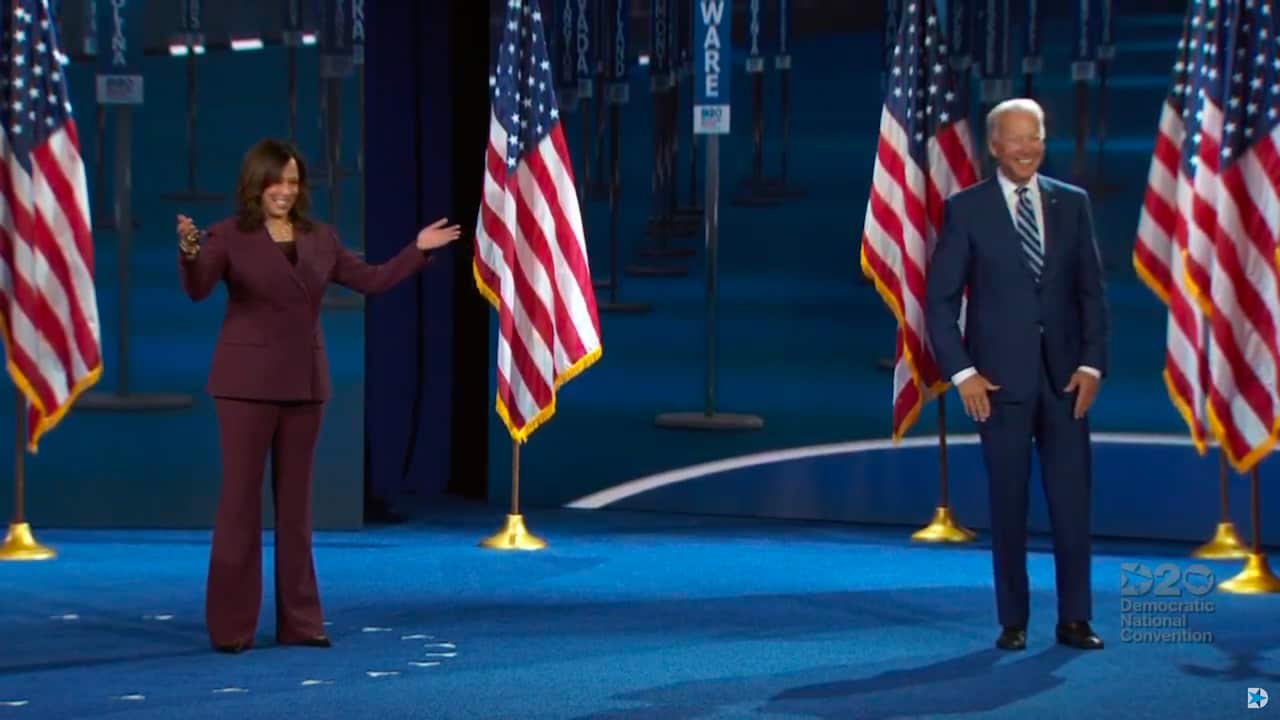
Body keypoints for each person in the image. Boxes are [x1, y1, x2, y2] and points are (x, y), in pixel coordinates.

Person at [176, 138, 461, 653]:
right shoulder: (227, 236)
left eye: (292, 181)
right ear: (256, 184)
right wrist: (190, 252)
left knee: (297, 510)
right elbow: (198, 288)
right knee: (239, 507)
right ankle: (232, 628)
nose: (284, 191)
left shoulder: (321, 239)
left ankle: (301, 622)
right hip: (244, 388)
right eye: (275, 181)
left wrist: (416, 251)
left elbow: (372, 280)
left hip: (305, 387)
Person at [925, 98, 1109, 652]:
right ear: (995, 147)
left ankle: (1075, 619)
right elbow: (940, 303)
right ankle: (1014, 620)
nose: (1029, 148)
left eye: (1037, 137)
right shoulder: (967, 209)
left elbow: (1091, 295)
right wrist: (963, 374)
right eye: (1017, 139)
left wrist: (1092, 364)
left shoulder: (1071, 204)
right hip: (999, 386)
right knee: (1008, 506)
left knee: (1072, 505)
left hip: (1065, 385)